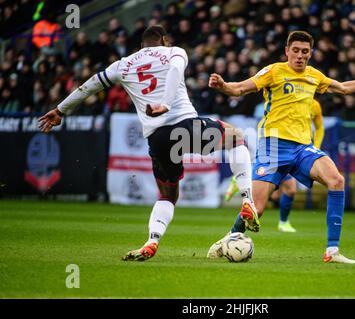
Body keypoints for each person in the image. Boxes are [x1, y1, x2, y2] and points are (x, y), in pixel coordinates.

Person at [38, 25, 260, 261]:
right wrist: (165, 103)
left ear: (142, 45)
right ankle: (247, 199)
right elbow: (175, 70)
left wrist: (61, 110)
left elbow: (90, 84)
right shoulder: (174, 52)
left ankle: (152, 240)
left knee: (167, 196)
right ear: (164, 39)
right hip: (185, 127)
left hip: (158, 139)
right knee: (236, 138)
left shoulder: (123, 64)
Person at [208, 31, 355, 264]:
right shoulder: (273, 71)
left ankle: (332, 251)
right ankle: (228, 239)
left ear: (310, 54)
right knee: (256, 210)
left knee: (336, 180)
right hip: (273, 146)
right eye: (296, 51)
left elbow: (344, 88)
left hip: (302, 148)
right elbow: (240, 88)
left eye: (305, 52)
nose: (300, 56)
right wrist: (222, 86)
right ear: (287, 51)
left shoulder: (314, 76)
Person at [224, 99, 325, 233]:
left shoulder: (314, 105)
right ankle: (242, 180)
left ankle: (283, 222)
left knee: (290, 189)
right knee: (260, 205)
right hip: (276, 148)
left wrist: (315, 148)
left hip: (294, 150)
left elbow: (319, 128)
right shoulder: (282, 98)